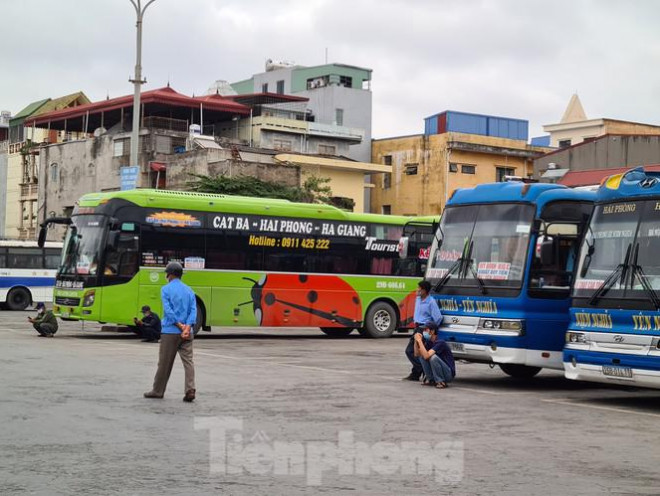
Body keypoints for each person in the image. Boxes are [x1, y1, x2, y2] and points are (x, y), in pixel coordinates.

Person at [144, 262, 197, 402]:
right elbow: (193, 310)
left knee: (164, 363)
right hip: (188, 332)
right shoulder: (189, 290)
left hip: (170, 332)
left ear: (170, 274)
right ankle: (190, 389)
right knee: (188, 362)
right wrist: (187, 327)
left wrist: (179, 326)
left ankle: (157, 391)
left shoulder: (165, 289)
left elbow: (168, 311)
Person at [403, 280, 443, 381]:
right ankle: (416, 373)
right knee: (415, 351)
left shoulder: (431, 302)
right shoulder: (418, 299)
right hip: (417, 327)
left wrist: (429, 330)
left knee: (410, 350)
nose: (417, 290)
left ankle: (422, 369)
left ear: (424, 290)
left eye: (419, 288)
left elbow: (438, 318)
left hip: (424, 328)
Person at [414, 322, 456, 389]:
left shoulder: (440, 342)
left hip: (448, 374)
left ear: (432, 331)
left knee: (433, 357)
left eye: (426, 330)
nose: (424, 332)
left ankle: (441, 381)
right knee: (422, 355)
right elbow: (417, 354)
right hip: (439, 371)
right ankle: (431, 379)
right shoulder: (429, 342)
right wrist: (416, 342)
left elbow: (427, 356)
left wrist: (420, 341)